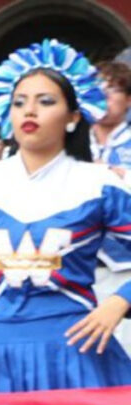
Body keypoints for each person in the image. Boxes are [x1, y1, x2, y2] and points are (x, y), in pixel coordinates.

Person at [0, 39, 131, 394]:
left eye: (46, 102)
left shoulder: (100, 184)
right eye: (20, 102)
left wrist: (120, 300)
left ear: (73, 117)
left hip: (77, 351)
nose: (29, 111)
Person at [91, 60, 131, 354]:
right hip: (81, 264)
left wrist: (121, 177)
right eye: (97, 88)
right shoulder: (72, 141)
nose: (103, 94)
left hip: (126, 266)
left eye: (112, 89)